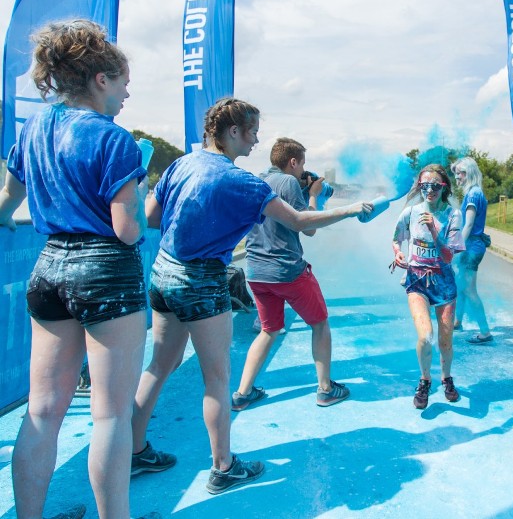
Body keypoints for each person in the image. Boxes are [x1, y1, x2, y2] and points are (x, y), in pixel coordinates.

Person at [130, 98, 372, 495]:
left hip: (162, 274)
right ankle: (223, 467)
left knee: (158, 365)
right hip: (202, 281)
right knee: (217, 378)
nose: (257, 139)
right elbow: (297, 221)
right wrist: (347, 211)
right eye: (253, 131)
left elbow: (154, 217)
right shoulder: (241, 181)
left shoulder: (180, 164)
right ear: (233, 132)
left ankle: (135, 450)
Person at [0, 20, 149, 519]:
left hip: (48, 269)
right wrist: (140, 188)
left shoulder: (34, 129)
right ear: (101, 79)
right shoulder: (114, 139)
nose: (128, 93)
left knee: (41, 411)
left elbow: (6, 202)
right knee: (110, 416)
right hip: (105, 270)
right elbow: (127, 229)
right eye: (124, 81)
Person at [232, 137, 352, 411]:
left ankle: (243, 392)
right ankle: (325, 389)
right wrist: (313, 196)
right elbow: (307, 228)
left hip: (257, 272)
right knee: (320, 324)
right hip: (287, 271)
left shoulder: (257, 179)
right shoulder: (287, 182)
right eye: (301, 166)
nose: (301, 172)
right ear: (293, 161)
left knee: (268, 329)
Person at [392, 164, 465, 409]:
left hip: (443, 282)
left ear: (444, 188)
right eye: (425, 186)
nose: (429, 190)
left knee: (445, 342)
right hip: (417, 280)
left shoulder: (453, 215)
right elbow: (396, 238)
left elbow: (447, 256)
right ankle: (424, 380)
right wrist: (398, 253)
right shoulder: (411, 212)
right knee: (426, 336)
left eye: (435, 186)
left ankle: (446, 377)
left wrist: (435, 231)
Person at [450, 157, 492, 344]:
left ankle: (485, 331)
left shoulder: (473, 194)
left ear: (468, 173)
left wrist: (455, 249)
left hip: (471, 247)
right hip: (473, 246)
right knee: (461, 286)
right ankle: (457, 321)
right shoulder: (475, 193)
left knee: (469, 289)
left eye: (459, 173)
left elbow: (468, 225)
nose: (457, 177)